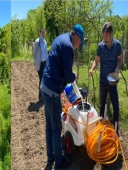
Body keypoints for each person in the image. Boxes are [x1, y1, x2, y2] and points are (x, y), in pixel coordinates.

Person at [40, 24, 85, 170]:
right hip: (52, 90)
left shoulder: (61, 38)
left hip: (45, 86)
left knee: (49, 125)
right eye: (80, 43)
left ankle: (50, 156)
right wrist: (74, 75)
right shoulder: (68, 47)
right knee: (56, 128)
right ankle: (59, 163)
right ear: (76, 37)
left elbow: (60, 65)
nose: (79, 46)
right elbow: (68, 76)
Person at [88, 22, 122, 140]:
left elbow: (120, 60)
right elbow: (96, 61)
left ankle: (117, 132)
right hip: (103, 81)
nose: (105, 39)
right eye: (104, 36)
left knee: (116, 108)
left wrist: (118, 67)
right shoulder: (100, 46)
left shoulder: (118, 45)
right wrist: (92, 68)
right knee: (102, 107)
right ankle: (100, 131)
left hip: (112, 81)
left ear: (112, 34)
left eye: (107, 37)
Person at [33, 27, 48, 102]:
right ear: (39, 33)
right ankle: (41, 96)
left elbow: (46, 52)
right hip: (39, 64)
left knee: (44, 79)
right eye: (42, 32)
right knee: (41, 80)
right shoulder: (37, 42)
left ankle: (43, 95)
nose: (43, 34)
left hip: (45, 63)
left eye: (44, 32)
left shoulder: (45, 42)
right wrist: (35, 62)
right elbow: (34, 53)